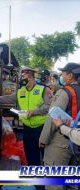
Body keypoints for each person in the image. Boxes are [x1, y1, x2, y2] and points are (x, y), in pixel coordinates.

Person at [0, 66, 52, 166]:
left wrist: (35, 111)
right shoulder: (21, 91)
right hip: (27, 129)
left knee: (44, 156)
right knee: (30, 156)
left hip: (41, 128)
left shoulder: (44, 90)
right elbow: (8, 99)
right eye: (22, 77)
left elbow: (49, 107)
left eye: (24, 77)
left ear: (31, 78)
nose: (22, 79)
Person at [39, 62, 80, 190]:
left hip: (60, 142)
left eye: (63, 72)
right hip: (76, 142)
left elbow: (52, 117)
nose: (61, 75)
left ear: (70, 75)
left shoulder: (65, 92)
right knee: (72, 181)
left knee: (53, 182)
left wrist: (43, 139)